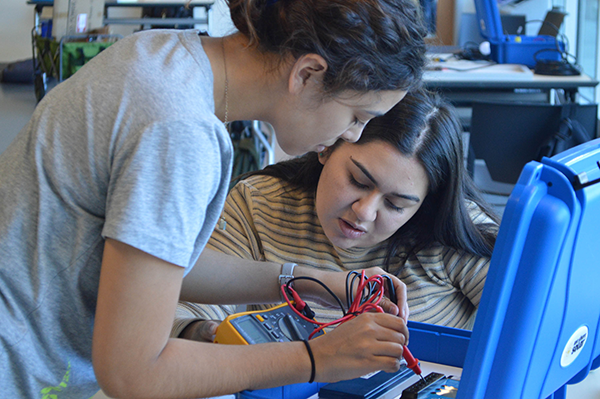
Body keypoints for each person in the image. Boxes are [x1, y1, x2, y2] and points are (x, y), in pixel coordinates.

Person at [0, 0, 428, 397]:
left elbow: (154, 268)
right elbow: (132, 371)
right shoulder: (180, 132)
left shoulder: (163, 57)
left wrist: (305, 281)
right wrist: (318, 359)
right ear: (307, 74)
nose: (352, 134)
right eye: (358, 116)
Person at [173, 88, 500, 344]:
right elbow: (189, 304)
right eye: (358, 181)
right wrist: (203, 333)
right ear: (327, 146)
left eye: (396, 204)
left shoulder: (458, 231)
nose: (364, 212)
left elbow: (531, 331)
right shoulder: (259, 204)